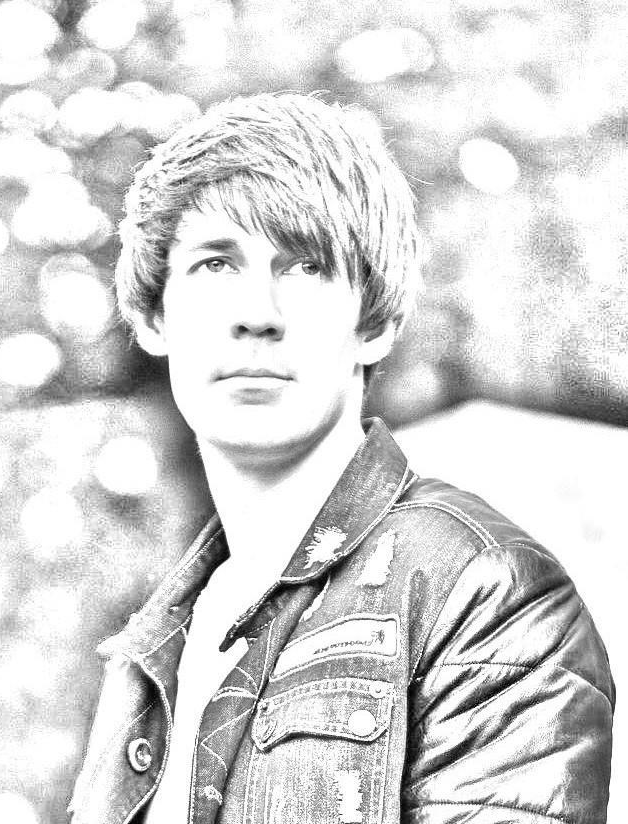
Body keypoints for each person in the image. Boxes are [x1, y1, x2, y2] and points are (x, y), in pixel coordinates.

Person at [68, 92, 614, 824]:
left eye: (305, 267)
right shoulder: (149, 648)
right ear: (155, 318)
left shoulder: (487, 590)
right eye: (216, 264)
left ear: (375, 324)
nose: (256, 314)